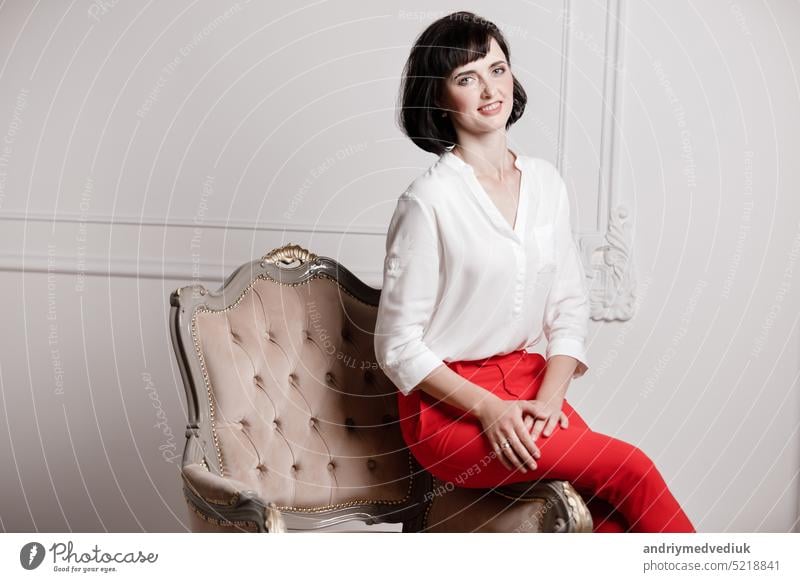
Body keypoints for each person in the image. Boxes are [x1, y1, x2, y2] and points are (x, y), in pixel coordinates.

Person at [373, 11, 695, 533]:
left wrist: (548, 401)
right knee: (633, 470)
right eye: (466, 78)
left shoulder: (546, 183)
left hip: (529, 380)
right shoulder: (427, 201)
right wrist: (489, 410)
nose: (488, 89)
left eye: (497, 69)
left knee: (606, 517)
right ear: (439, 98)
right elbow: (397, 346)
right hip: (447, 407)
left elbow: (569, 307)